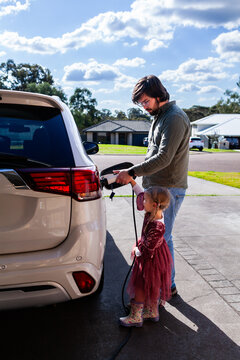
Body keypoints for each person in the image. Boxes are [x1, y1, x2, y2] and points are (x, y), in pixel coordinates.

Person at [116, 75, 191, 296]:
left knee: (160, 239)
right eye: (141, 103)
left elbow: (164, 157)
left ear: (159, 95)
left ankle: (167, 285)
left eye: (146, 101)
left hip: (168, 188)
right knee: (160, 237)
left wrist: (132, 172)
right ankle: (167, 284)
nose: (144, 107)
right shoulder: (159, 116)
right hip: (157, 187)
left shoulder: (174, 118)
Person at [119, 180, 172, 327]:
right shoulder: (154, 211)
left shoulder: (157, 226)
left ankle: (136, 317)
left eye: (146, 200)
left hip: (151, 259)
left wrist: (137, 249)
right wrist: (132, 182)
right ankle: (151, 311)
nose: (143, 201)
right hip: (155, 254)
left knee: (141, 285)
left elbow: (148, 251)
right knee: (152, 284)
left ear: (154, 204)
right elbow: (140, 194)